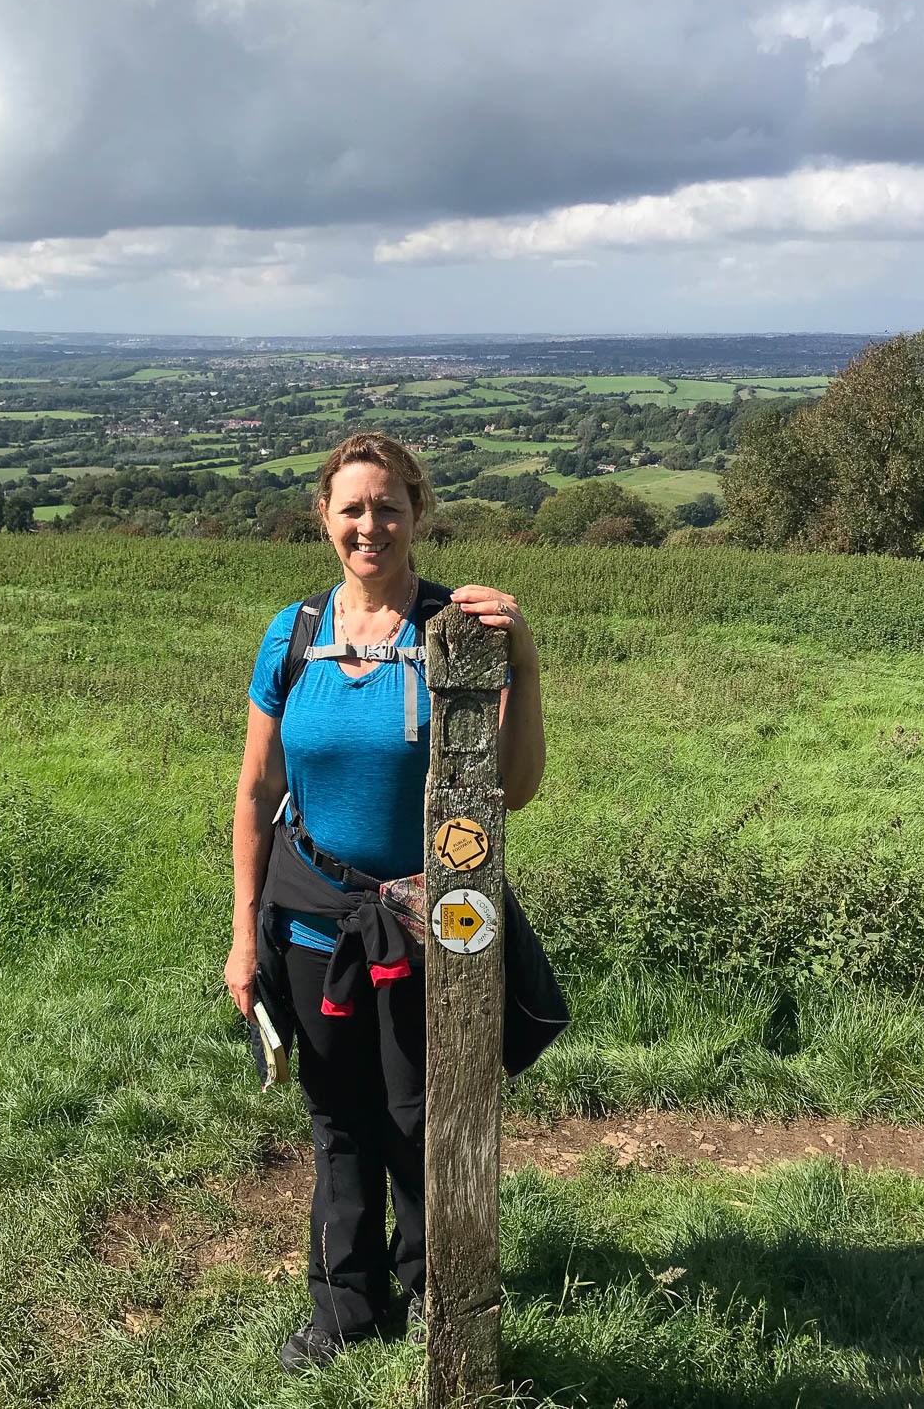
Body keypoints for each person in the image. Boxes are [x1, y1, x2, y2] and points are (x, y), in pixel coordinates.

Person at [225, 431, 548, 1374]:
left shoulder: (455, 630)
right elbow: (254, 794)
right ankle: (344, 1311)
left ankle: (439, 1291)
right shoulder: (291, 637)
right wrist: (244, 937)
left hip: (425, 924)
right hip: (311, 916)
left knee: (421, 1116)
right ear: (324, 518)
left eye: (389, 505)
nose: (372, 525)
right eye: (352, 508)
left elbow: (515, 787)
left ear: (418, 512)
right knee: (338, 1121)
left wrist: (524, 663)